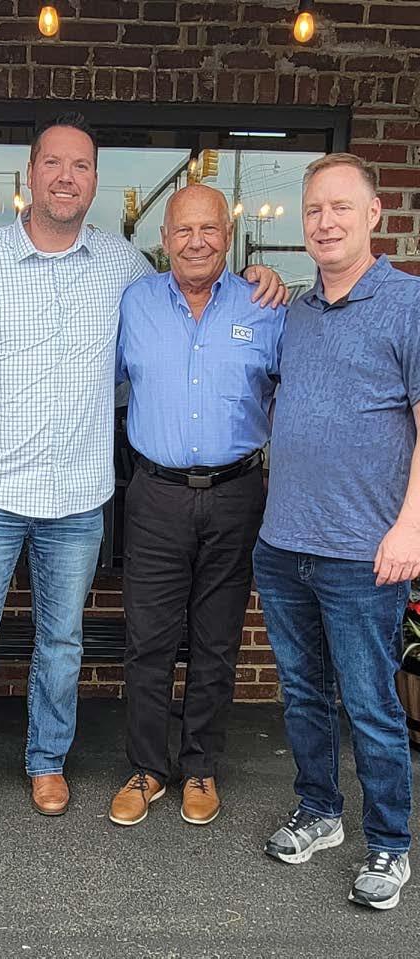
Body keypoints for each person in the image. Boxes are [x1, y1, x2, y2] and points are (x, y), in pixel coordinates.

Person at [0, 113, 285, 833]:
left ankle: (47, 761)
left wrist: (257, 278)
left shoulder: (124, 268)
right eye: (53, 163)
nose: (66, 177)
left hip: (78, 496)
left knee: (62, 643)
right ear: (31, 173)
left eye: (80, 165)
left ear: (94, 181)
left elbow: (183, 313)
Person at [253, 153, 420, 910]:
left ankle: (390, 843)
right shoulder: (296, 312)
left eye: (341, 207)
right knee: (303, 696)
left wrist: (410, 527)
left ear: (374, 214)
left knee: (372, 706)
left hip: (364, 552)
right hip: (284, 545)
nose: (325, 222)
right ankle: (319, 811)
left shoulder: (407, 305)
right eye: (314, 209)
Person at [109, 185, 285, 827]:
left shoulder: (264, 306)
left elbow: (295, 393)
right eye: (182, 230)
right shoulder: (135, 304)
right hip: (155, 494)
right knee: (148, 640)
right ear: (164, 240)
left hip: (237, 494)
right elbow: (94, 383)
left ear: (228, 236)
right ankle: (147, 768)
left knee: (216, 639)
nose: (196, 242)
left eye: (208, 229)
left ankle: (201, 767)